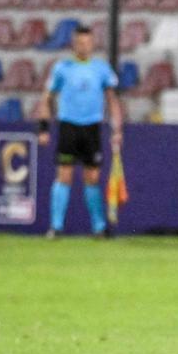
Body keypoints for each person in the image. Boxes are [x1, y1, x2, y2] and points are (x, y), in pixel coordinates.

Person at [38, 25, 124, 238]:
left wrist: (117, 129)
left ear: (92, 44)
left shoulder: (101, 69)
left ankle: (99, 227)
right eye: (79, 42)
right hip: (68, 126)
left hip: (92, 127)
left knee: (92, 178)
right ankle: (56, 227)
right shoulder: (62, 68)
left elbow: (112, 100)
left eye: (86, 42)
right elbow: (47, 98)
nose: (83, 46)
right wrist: (43, 127)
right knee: (64, 175)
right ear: (73, 44)